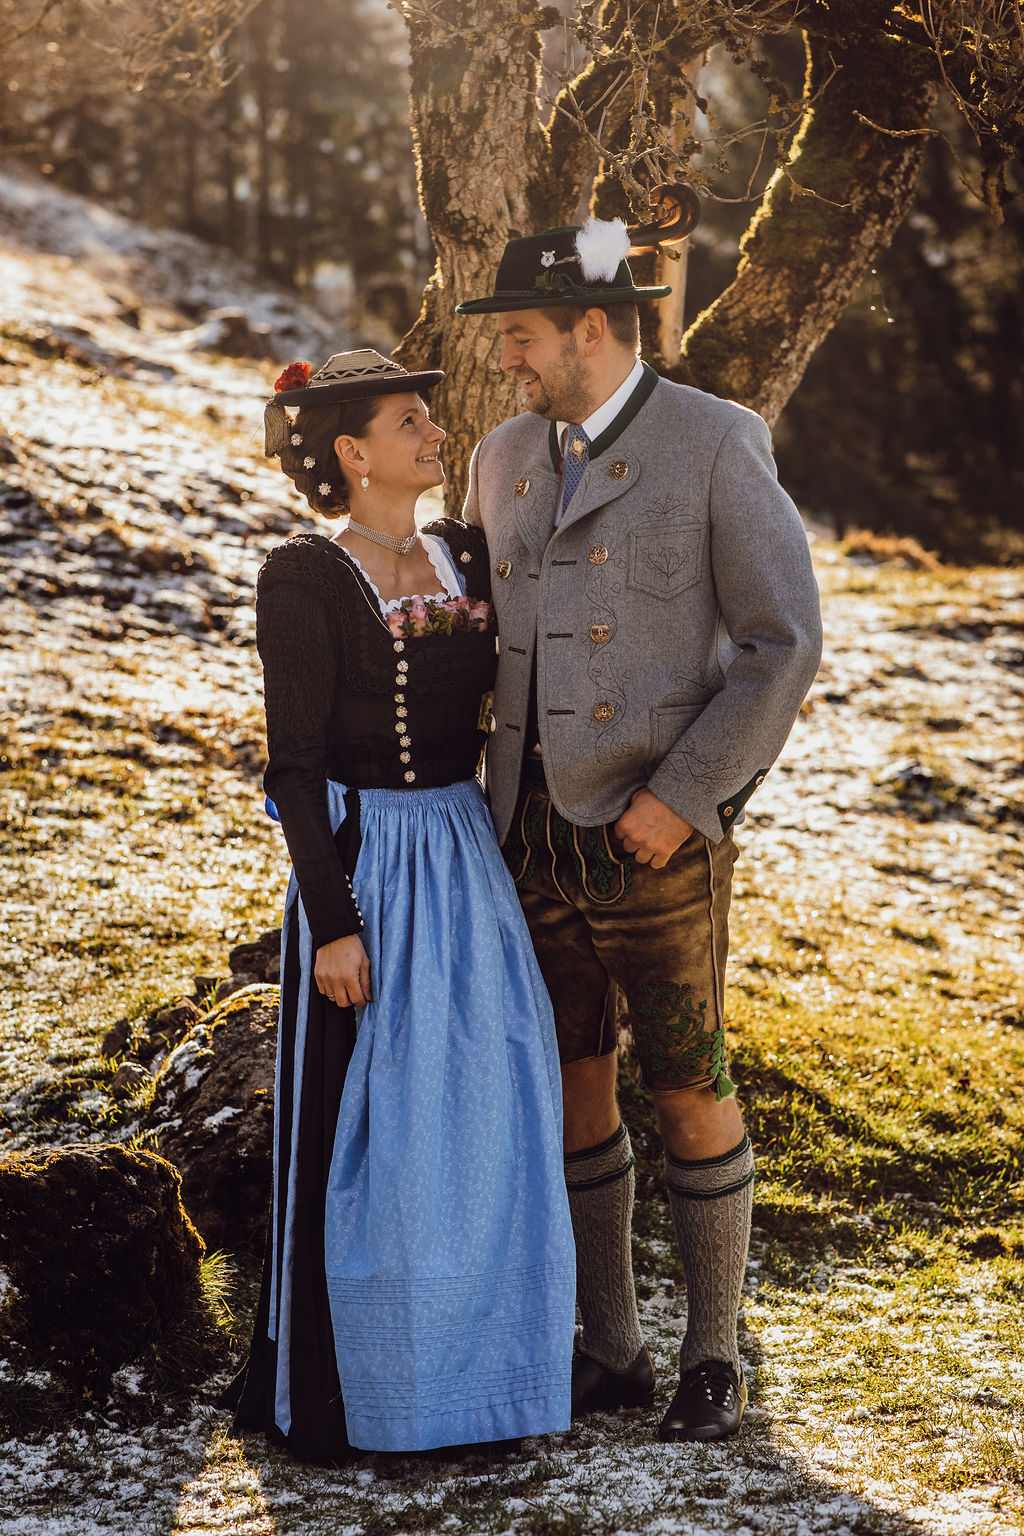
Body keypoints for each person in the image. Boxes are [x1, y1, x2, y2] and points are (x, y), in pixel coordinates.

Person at [457, 218, 823, 1442]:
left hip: (659, 838)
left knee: (687, 1084)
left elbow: (782, 643)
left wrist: (689, 795)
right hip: (525, 836)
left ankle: (713, 1359)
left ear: (590, 328)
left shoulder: (716, 441)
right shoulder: (500, 456)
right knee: (573, 1083)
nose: (506, 359)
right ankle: (609, 1350)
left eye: (520, 335)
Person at [222, 349, 576, 1462]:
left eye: (430, 416)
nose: (435, 432)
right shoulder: (305, 577)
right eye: (409, 420)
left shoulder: (462, 550)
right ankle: (364, 1391)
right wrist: (333, 924)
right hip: (366, 859)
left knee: (485, 1111)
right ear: (352, 451)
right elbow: (293, 765)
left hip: (464, 854)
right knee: (367, 1134)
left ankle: (486, 1384)